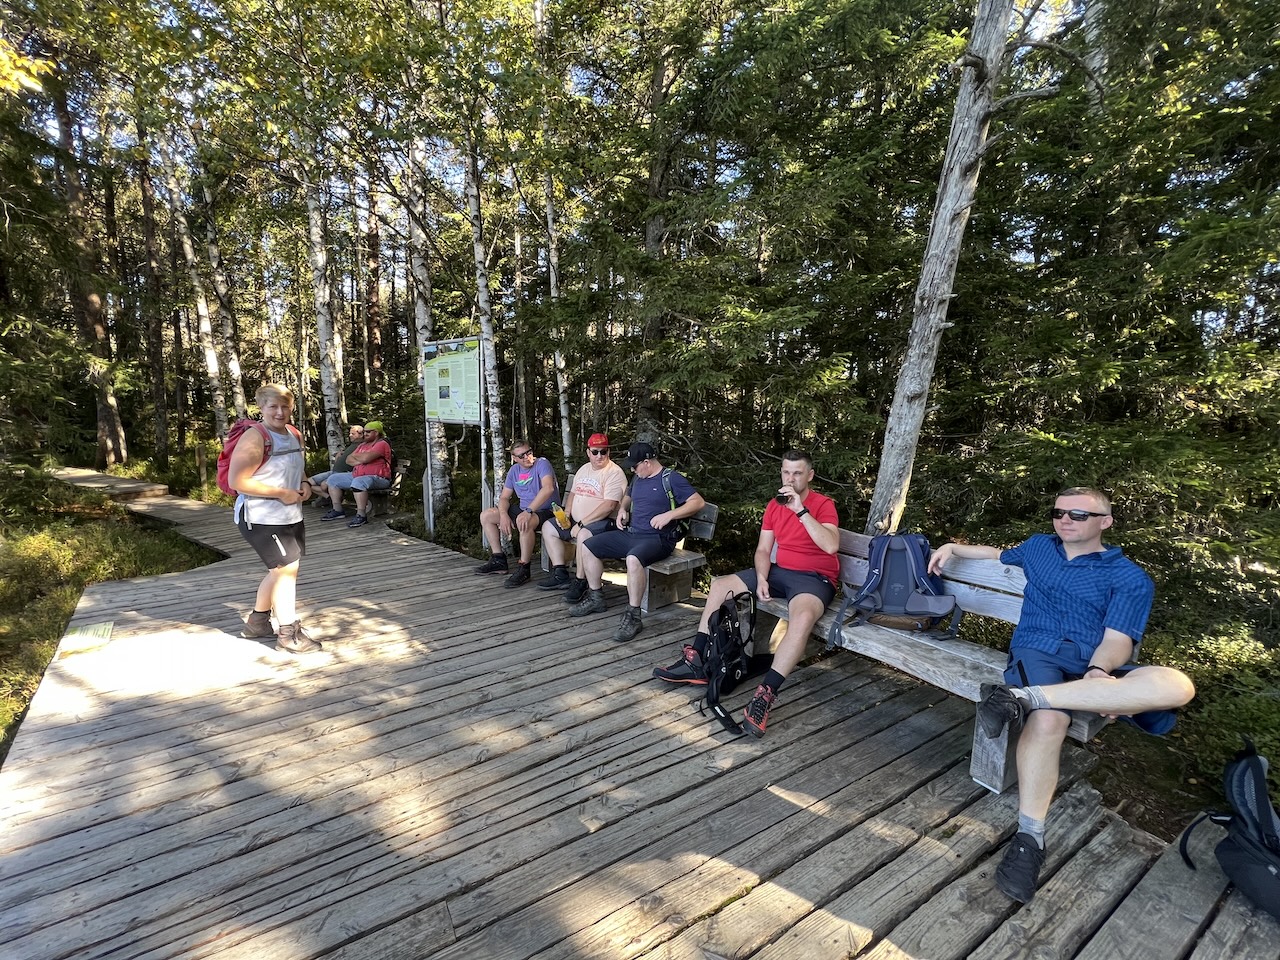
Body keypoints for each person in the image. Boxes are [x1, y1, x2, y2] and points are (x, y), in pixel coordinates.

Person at [927, 487, 1196, 904]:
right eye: (1059, 512)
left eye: (1079, 514)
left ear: (1106, 522)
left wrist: (1099, 673)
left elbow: (1118, 640)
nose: (1065, 519)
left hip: (1093, 660)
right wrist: (951, 547)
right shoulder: (1039, 548)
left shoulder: (1129, 577)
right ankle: (1030, 838)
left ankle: (1023, 698)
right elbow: (997, 554)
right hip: (1037, 651)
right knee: (1051, 720)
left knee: (1178, 685)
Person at [653, 449, 838, 737]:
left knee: (801, 618)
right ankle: (696, 659)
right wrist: (762, 577)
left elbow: (830, 545)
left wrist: (800, 510)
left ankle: (765, 694)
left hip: (814, 579)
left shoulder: (823, 505)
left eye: (797, 473)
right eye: (786, 472)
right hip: (779, 572)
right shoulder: (774, 505)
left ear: (810, 475)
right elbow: (763, 550)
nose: (790, 479)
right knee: (720, 585)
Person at [568, 441, 706, 642]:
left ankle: (633, 616)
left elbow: (698, 502)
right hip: (632, 534)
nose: (632, 470)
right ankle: (596, 598)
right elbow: (628, 495)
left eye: (635, 466)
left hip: (658, 539)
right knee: (588, 545)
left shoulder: (671, 478)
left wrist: (669, 515)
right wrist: (623, 509)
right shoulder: (639, 477)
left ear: (647, 462)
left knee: (633, 559)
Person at [229, 383, 321, 654]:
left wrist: (304, 483)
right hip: (260, 516)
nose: (280, 412)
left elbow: (296, 468)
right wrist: (281, 493)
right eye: (273, 407)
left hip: (290, 514)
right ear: (261, 407)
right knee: (285, 572)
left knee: (281, 570)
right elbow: (237, 481)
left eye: (285, 407)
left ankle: (257, 623)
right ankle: (288, 635)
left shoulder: (294, 434)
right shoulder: (255, 437)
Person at [537, 433, 627, 593]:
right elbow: (573, 493)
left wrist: (581, 524)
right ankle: (560, 573)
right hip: (578, 521)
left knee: (583, 535)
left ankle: (580, 580)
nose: (599, 456)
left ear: (608, 452)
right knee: (548, 527)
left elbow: (609, 506)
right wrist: (566, 513)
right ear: (588, 452)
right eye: (595, 452)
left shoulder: (614, 473)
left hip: (604, 522)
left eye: (603, 451)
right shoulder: (584, 469)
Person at [474, 439, 560, 588]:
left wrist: (528, 511)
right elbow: (504, 498)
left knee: (524, 521)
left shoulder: (542, 463)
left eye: (529, 452)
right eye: (522, 456)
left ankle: (524, 567)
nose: (527, 457)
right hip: (525, 510)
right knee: (486, 515)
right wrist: (503, 515)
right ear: (514, 458)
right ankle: (498, 560)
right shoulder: (514, 471)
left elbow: (548, 488)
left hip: (547, 510)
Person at [320, 420, 393, 528]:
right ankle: (338, 510)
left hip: (379, 478)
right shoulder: (362, 445)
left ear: (376, 432)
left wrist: (360, 458)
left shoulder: (382, 444)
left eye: (368, 432)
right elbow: (348, 460)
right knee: (333, 479)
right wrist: (362, 459)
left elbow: (366, 458)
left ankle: (361, 515)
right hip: (358, 475)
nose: (365, 434)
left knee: (359, 482)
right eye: (364, 432)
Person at [309, 424, 364, 507]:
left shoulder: (363, 446)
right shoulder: (351, 445)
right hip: (333, 471)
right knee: (307, 483)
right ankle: (328, 498)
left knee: (324, 486)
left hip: (343, 473)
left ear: (361, 434)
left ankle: (331, 499)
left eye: (353, 434)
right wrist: (339, 455)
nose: (350, 435)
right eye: (350, 433)